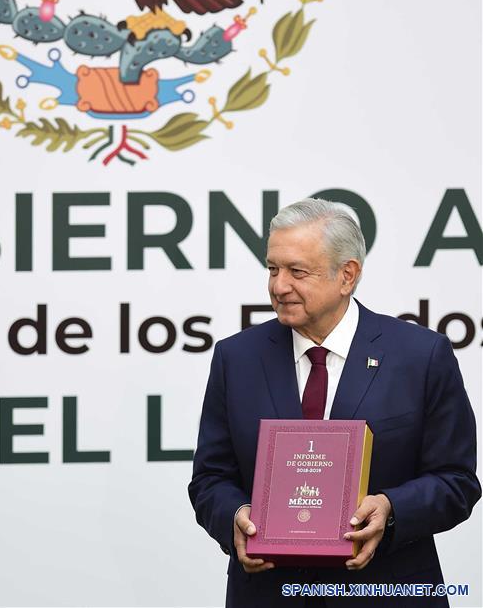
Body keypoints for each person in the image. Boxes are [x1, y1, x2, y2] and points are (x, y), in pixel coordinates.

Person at [189, 198, 480, 607]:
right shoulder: (236, 358)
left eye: (297, 271)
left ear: (347, 275)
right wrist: (235, 517)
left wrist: (391, 509)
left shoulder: (420, 356)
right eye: (272, 269)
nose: (278, 285)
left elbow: (456, 480)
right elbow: (209, 479)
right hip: (268, 595)